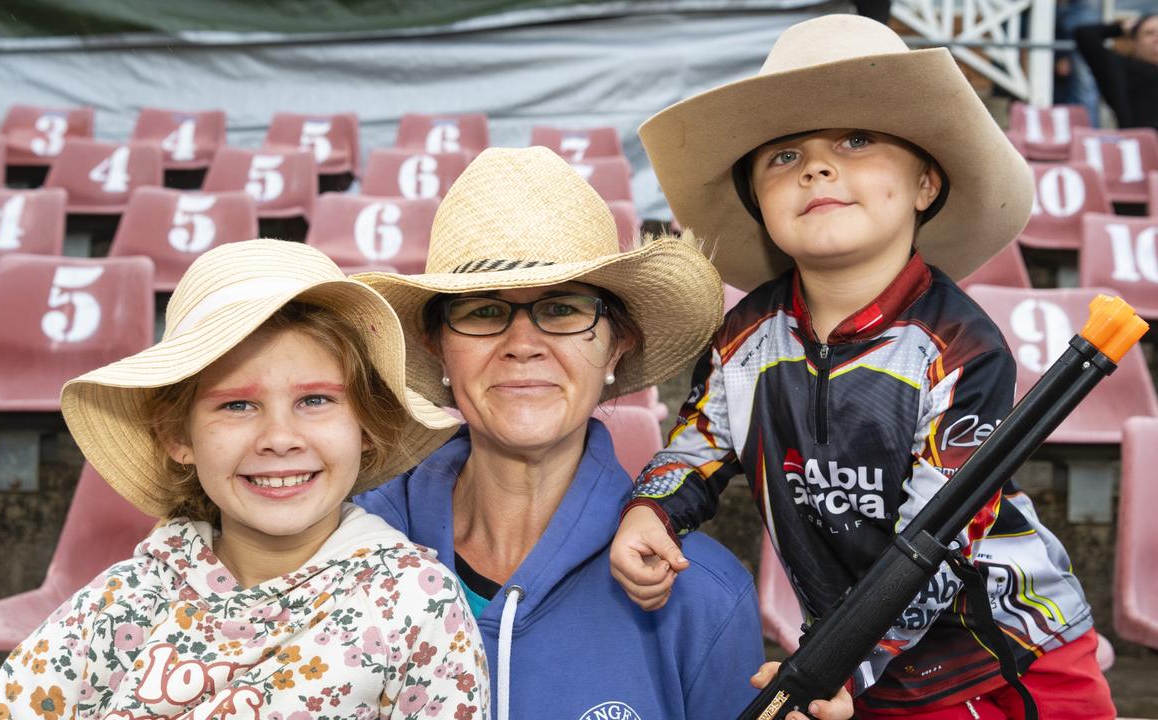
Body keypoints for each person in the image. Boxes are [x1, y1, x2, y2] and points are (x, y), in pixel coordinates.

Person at [611, 14, 1116, 719]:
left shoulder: (960, 345)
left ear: (925, 184)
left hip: (1008, 649)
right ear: (759, 203)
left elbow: (937, 534)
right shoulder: (743, 337)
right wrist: (651, 512)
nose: (817, 166)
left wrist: (840, 663)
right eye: (783, 155)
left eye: (856, 140)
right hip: (859, 654)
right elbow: (700, 441)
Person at [350, 147, 848, 720]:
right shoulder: (351, 547)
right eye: (484, 311)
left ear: (617, 345)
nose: (522, 342)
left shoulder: (704, 595)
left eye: (562, 309)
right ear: (439, 346)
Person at [0, 240, 489, 720]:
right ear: (179, 436)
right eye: (238, 405)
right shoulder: (125, 600)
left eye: (315, 400)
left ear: (367, 426)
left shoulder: (414, 603)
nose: (279, 438)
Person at [1075, 13, 1158, 130]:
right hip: (1138, 142)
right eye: (1149, 33)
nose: (1156, 37)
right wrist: (1121, 28)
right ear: (1135, 42)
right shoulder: (1119, 68)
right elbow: (1085, 35)